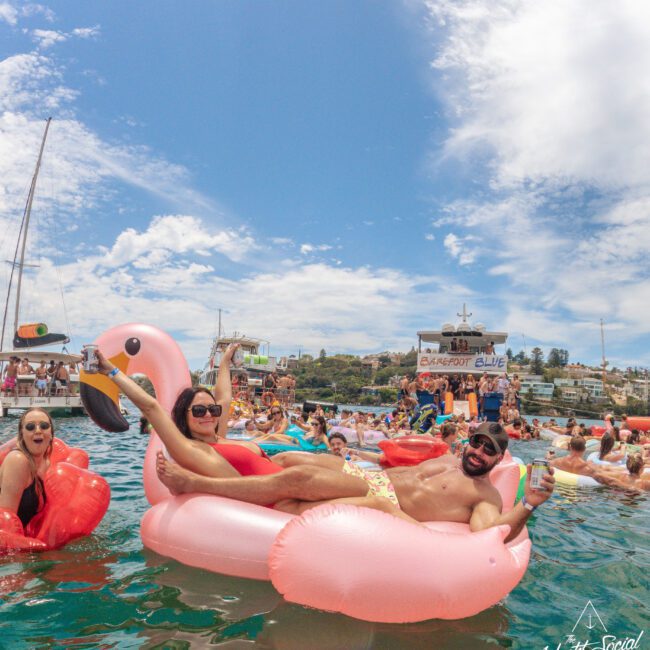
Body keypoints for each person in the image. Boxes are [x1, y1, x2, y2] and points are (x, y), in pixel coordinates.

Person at [0, 409, 53, 528]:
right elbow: (5, 523)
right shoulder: (18, 461)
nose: (38, 430)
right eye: (30, 427)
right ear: (22, 434)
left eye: (44, 426)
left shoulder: (47, 464)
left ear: (51, 434)